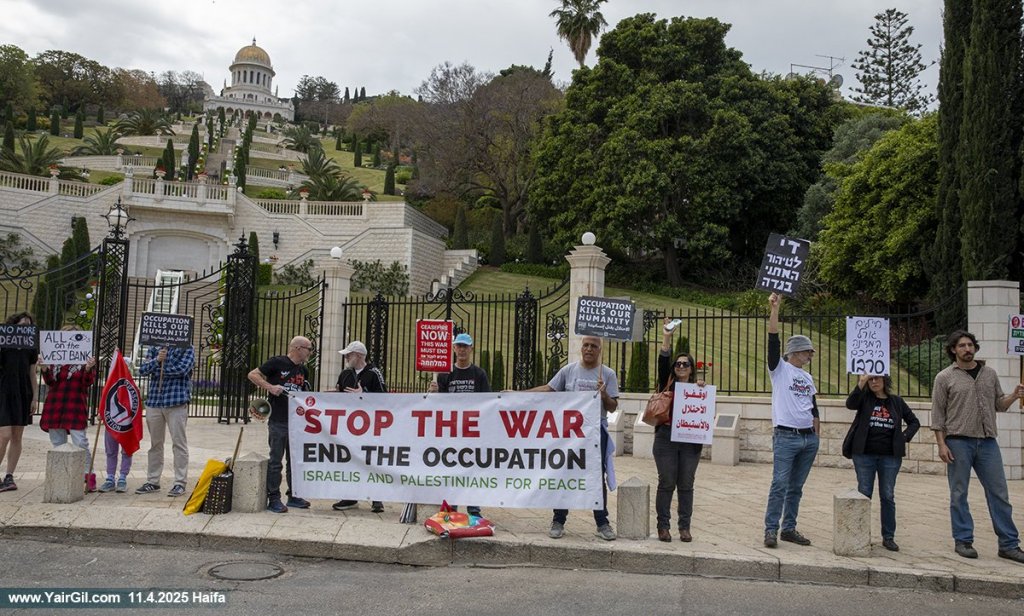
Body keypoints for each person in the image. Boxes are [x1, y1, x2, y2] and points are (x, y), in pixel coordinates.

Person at [931, 330, 1024, 563]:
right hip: (958, 442)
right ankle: (963, 540)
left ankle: (1009, 544)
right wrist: (941, 445)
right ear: (953, 350)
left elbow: (999, 405)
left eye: (970, 345)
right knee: (959, 493)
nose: (967, 349)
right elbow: (937, 416)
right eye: (961, 345)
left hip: (988, 442)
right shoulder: (944, 377)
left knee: (999, 493)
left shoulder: (989, 374)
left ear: (975, 347)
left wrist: (1013, 396)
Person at [528, 335, 618, 541]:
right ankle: (558, 520)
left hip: (595, 434)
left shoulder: (608, 374)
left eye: (593, 346)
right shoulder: (568, 371)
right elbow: (549, 390)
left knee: (596, 477)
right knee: (564, 474)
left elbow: (613, 407)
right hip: (569, 435)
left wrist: (604, 395)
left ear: (600, 350)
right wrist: (518, 394)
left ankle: (602, 522)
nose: (589, 349)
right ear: (581, 347)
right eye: (585, 345)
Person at [763, 292, 819, 548]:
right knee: (779, 485)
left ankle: (789, 528)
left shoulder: (807, 378)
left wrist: (816, 435)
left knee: (796, 487)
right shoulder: (780, 369)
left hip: (808, 437)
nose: (810, 355)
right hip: (786, 436)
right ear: (796, 352)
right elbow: (773, 341)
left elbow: (813, 407)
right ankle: (771, 529)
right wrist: (775, 309)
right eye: (808, 351)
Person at [842, 374, 920, 551]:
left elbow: (914, 421)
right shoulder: (864, 399)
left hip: (890, 456)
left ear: (885, 381)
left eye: (877, 378)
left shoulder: (896, 402)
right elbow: (850, 404)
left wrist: (905, 436)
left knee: (887, 495)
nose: (874, 382)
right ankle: (860, 534)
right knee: (864, 493)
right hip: (864, 455)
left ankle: (888, 536)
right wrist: (861, 383)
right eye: (871, 379)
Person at [248, 336, 314, 513]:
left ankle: (293, 495)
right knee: (276, 460)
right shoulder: (277, 362)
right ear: (298, 348)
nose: (310, 352)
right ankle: (274, 498)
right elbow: (253, 374)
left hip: (296, 423)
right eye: (309, 349)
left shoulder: (303, 371)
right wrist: (270, 387)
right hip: (278, 420)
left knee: (294, 461)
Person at [653, 318, 705, 542]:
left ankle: (685, 527)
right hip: (666, 439)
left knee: (686, 484)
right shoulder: (668, 382)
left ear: (692, 369)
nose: (681, 367)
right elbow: (663, 361)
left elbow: (704, 412)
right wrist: (667, 337)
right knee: (666, 482)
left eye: (685, 364)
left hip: (690, 441)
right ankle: (663, 526)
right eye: (678, 364)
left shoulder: (698, 389)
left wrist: (701, 390)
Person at [428, 332, 489, 517]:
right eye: (459, 346)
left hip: (471, 432)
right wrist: (434, 392)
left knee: (472, 470)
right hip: (451, 431)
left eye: (465, 346)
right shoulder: (445, 374)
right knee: (451, 470)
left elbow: (488, 401)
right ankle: (451, 507)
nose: (462, 350)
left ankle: (473, 509)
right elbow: (436, 405)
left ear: (471, 349)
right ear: (454, 348)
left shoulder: (479, 374)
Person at [331, 340, 387, 513]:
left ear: (359, 356)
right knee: (350, 460)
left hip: (370, 426)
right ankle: (350, 496)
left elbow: (385, 398)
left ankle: (377, 499)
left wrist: (364, 395)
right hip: (349, 427)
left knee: (372, 461)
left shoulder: (374, 373)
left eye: (349, 355)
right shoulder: (345, 374)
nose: (347, 358)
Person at [39, 327, 97, 485]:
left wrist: (87, 368)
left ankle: (87, 473)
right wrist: (44, 368)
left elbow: (88, 382)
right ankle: (61, 474)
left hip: (75, 405)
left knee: (80, 441)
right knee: (58, 442)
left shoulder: (84, 358)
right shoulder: (54, 359)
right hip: (55, 404)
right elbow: (50, 382)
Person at [135, 345, 195, 497]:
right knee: (155, 444)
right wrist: (157, 360)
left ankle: (180, 483)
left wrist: (161, 365)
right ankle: (153, 481)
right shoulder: (154, 347)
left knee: (179, 443)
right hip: (154, 402)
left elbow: (183, 370)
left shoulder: (187, 347)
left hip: (176, 401)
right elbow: (142, 370)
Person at [0, 312, 39, 493]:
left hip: (22, 392)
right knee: (4, 435)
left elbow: (32, 373)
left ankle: (9, 476)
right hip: (3, 390)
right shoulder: (3, 342)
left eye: (28, 326)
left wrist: (35, 396)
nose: (25, 329)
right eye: (22, 325)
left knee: (17, 436)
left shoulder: (31, 348)